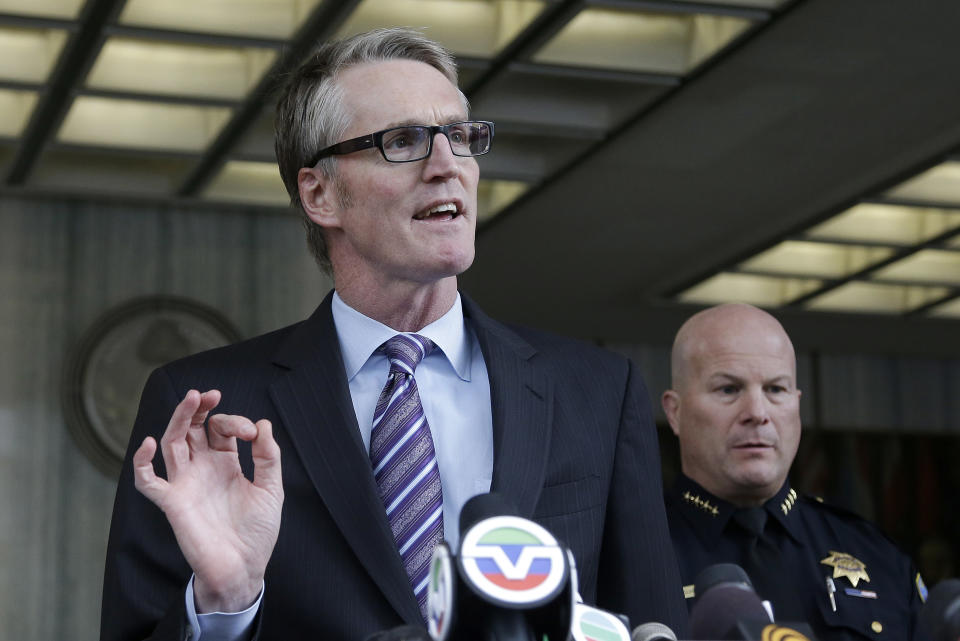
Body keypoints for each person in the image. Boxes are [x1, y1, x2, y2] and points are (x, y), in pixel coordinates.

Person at [100, 28, 687, 641]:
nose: (447, 167)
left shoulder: (596, 389)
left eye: (458, 137)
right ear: (320, 194)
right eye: (402, 142)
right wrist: (224, 602)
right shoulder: (204, 407)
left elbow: (651, 621)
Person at [661, 303, 929, 641]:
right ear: (675, 412)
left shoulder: (875, 555)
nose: (757, 413)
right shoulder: (629, 552)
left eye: (775, 389)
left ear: (796, 403)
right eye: (728, 389)